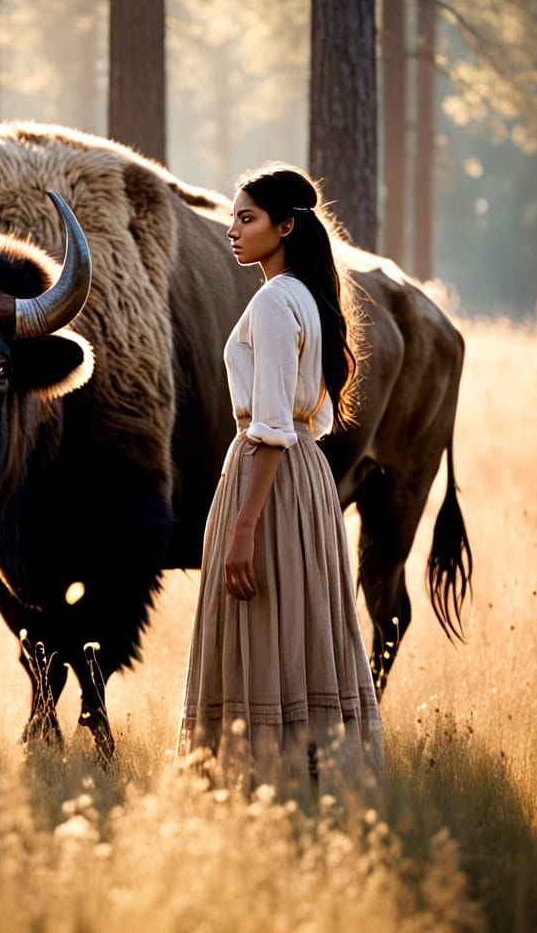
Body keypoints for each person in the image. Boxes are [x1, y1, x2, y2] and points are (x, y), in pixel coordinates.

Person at [178, 163, 382, 799]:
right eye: (233, 218)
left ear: (285, 227)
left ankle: (255, 780)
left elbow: (269, 426)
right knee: (300, 620)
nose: (232, 231)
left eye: (247, 219)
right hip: (307, 480)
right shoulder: (307, 298)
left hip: (268, 478)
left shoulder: (272, 302)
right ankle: (310, 775)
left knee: (262, 619)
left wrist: (244, 528)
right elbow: (297, 422)